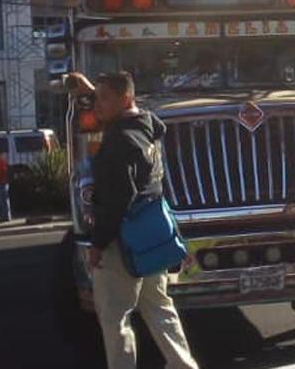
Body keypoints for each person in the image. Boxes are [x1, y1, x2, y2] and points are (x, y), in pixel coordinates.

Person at [67, 70, 197, 369]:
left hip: (122, 241)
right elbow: (138, 119)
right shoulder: (147, 125)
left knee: (116, 318)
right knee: (161, 309)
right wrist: (90, 92)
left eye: (104, 99)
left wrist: (98, 244)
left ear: (125, 100)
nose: (97, 106)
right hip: (153, 233)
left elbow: (117, 199)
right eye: (95, 98)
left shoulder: (118, 141)